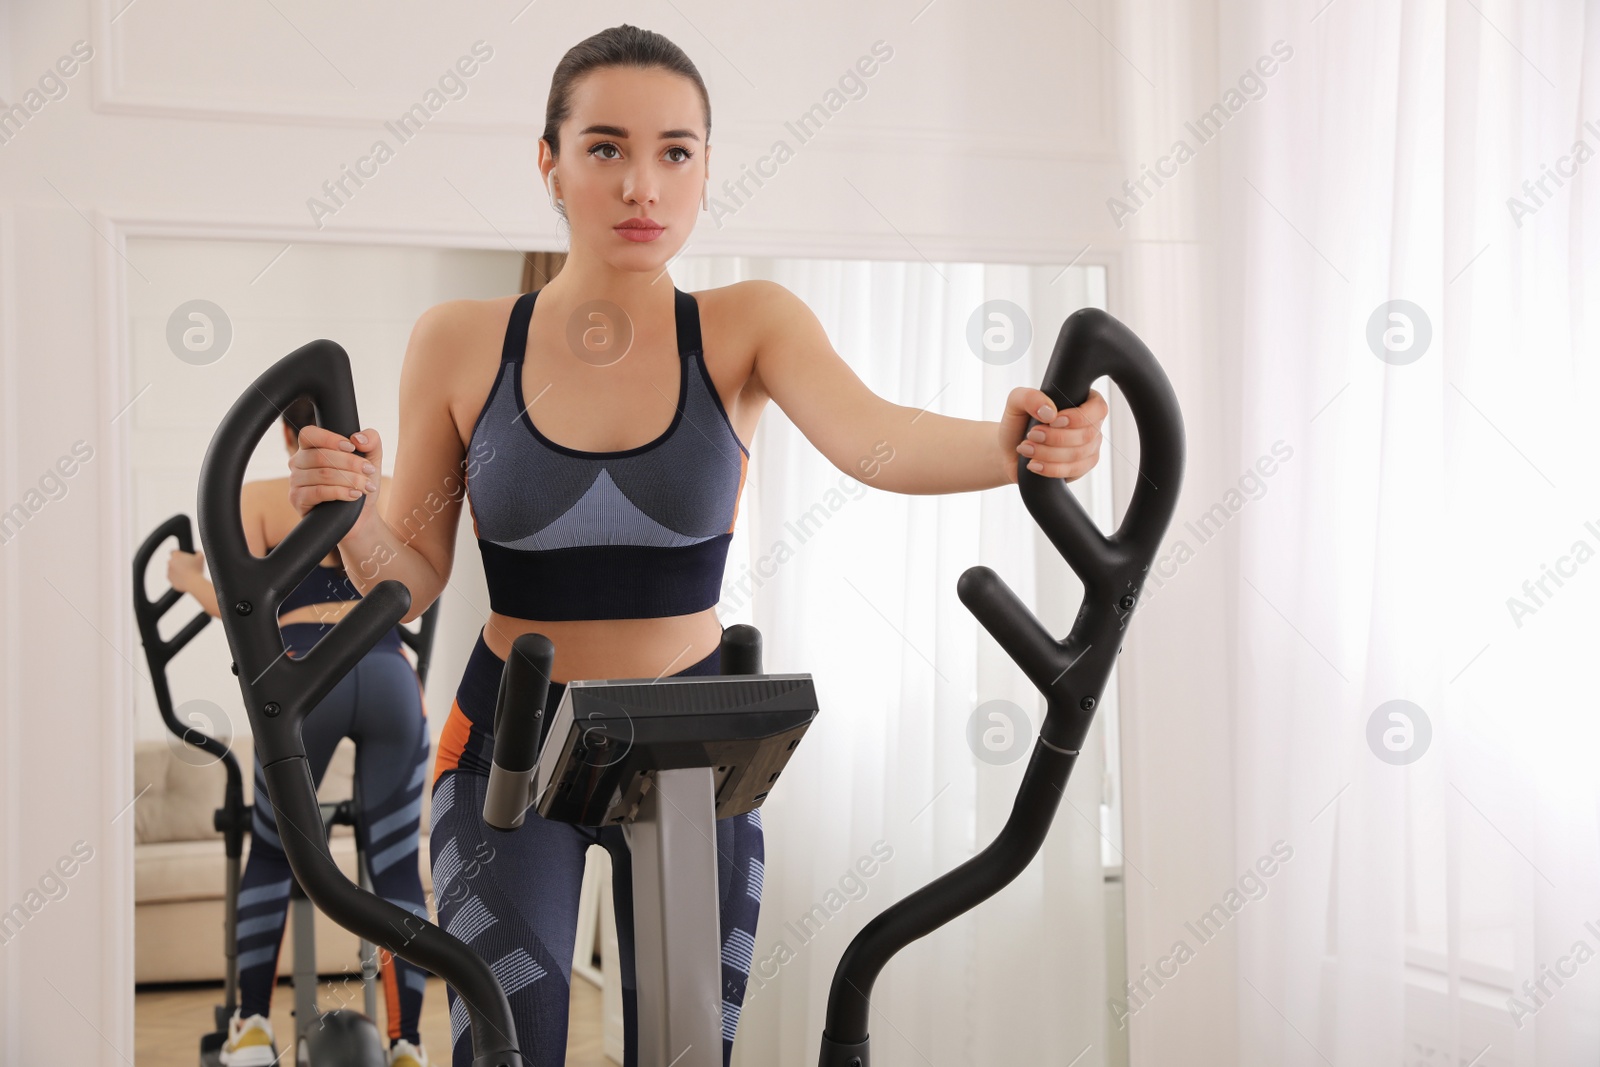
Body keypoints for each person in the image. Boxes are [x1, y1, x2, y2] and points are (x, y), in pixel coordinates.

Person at [285, 24, 1107, 1067]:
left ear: (708, 168)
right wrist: (343, 505)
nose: (643, 183)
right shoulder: (458, 339)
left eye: (676, 151)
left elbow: (876, 438)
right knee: (506, 1046)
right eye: (605, 147)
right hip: (505, 736)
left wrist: (1018, 443)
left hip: (698, 743)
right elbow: (409, 574)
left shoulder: (745, 323)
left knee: (684, 1053)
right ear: (549, 162)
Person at [167, 396, 434, 1067]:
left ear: (288, 434)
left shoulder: (257, 496)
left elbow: (240, 613)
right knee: (398, 862)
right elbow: (414, 584)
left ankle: (253, 1028)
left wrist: (184, 577)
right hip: (389, 676)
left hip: (303, 683)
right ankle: (407, 1043)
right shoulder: (390, 488)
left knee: (271, 850)